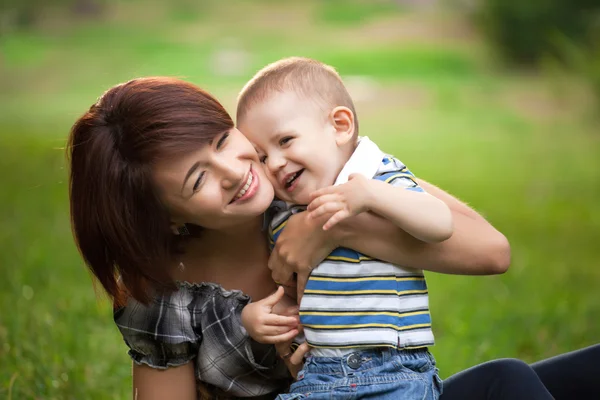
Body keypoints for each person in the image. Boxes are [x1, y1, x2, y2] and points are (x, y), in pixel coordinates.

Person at [67, 76, 512, 399]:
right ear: (165, 218)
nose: (237, 171)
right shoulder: (165, 299)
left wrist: (322, 227)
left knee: (509, 381)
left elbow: (491, 251)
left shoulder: (309, 186)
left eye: (222, 141)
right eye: (198, 179)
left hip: (391, 389)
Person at [237, 57, 451, 399]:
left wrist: (372, 196)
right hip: (318, 376)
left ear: (339, 126)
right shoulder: (283, 215)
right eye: (261, 156)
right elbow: (292, 291)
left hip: (395, 372)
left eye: (286, 140)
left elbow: (440, 223)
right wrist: (256, 318)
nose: (274, 164)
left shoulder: (376, 175)